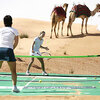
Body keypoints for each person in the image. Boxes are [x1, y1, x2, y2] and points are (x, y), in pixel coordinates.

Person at [0, 15, 19, 92]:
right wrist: (12, 49)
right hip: (8, 50)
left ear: (4, 22)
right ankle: (14, 87)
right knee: (13, 71)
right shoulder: (14, 30)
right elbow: (16, 42)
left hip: (0, 49)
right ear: (12, 22)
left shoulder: (0, 30)